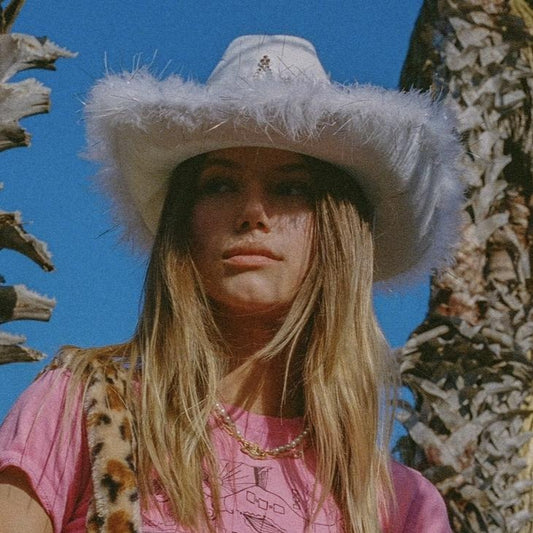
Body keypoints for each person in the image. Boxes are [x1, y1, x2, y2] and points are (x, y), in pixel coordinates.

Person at [0, 35, 463, 532]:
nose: (252, 213)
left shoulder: (396, 503)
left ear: (339, 234)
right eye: (220, 184)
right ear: (185, 221)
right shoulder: (84, 403)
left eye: (291, 188)